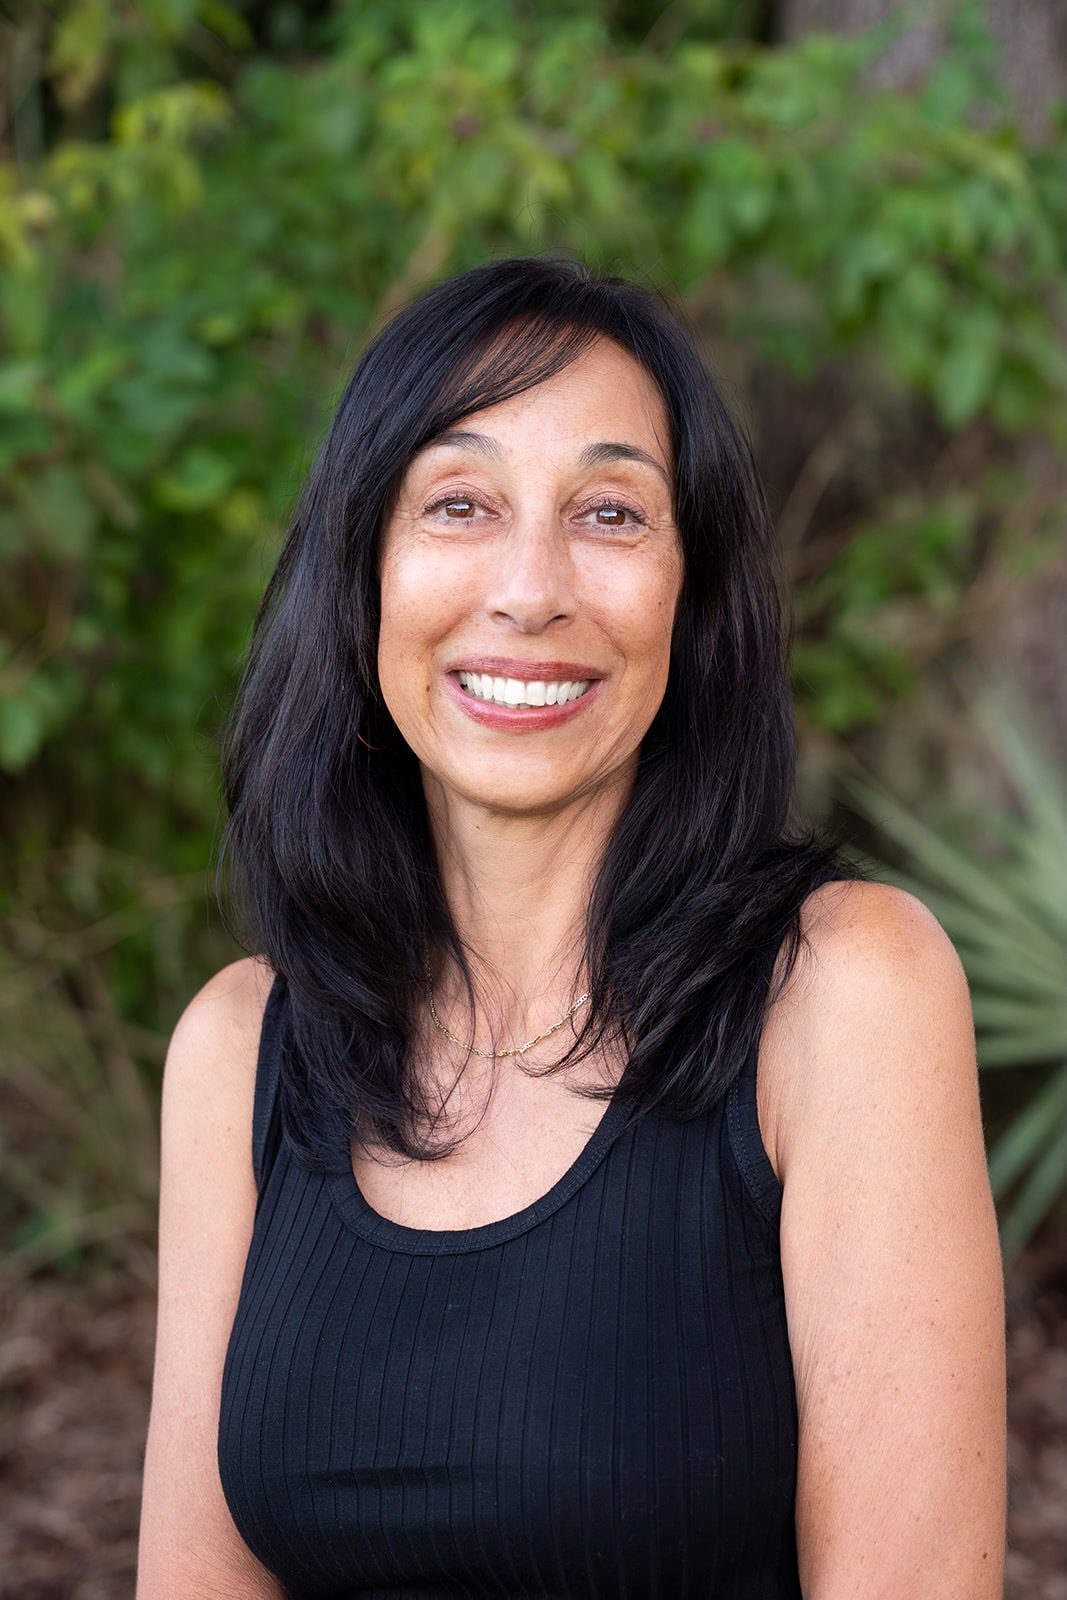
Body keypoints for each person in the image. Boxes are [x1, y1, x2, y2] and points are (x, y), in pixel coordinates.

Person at [135, 255, 1006, 1599]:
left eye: (609, 511)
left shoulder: (842, 994)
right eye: (460, 504)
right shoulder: (240, 1047)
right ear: (363, 573)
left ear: (690, 597)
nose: (530, 588)